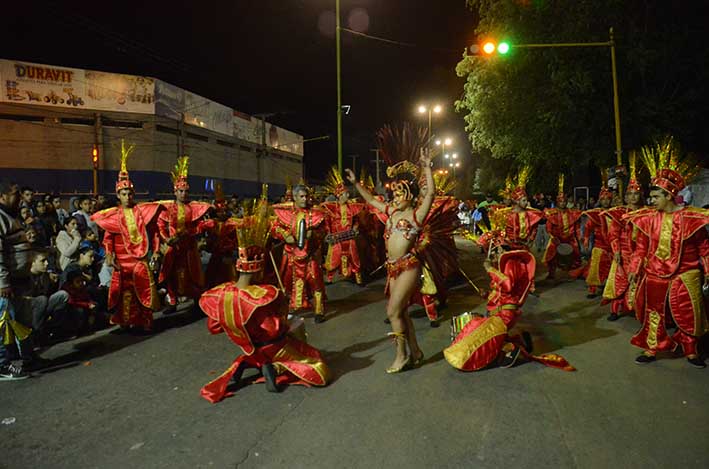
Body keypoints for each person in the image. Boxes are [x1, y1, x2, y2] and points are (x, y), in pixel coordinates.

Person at [198, 191, 329, 403]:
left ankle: (251, 361)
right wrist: (283, 313)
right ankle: (274, 365)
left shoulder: (221, 294)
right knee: (318, 364)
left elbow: (214, 327)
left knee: (315, 283)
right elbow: (274, 327)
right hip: (272, 347)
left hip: (248, 346)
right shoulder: (264, 295)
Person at [347, 132, 435, 373]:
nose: (394, 197)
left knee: (392, 311)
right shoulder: (392, 213)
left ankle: (401, 355)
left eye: (399, 194)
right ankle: (416, 352)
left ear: (410, 196)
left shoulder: (416, 215)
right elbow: (372, 202)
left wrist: (427, 168)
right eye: (393, 194)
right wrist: (356, 184)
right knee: (402, 312)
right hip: (392, 267)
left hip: (409, 265)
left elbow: (430, 195)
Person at [626, 138, 708, 368]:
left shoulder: (691, 218)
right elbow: (641, 248)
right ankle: (652, 348)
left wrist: (708, 271)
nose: (651, 201)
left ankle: (691, 350)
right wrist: (634, 269)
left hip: (685, 273)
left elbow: (704, 248)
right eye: (651, 197)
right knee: (654, 313)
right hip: (654, 274)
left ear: (669, 196)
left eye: (655, 197)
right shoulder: (646, 219)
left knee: (689, 313)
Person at [91, 140, 162, 333]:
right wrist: (109, 255)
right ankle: (125, 322)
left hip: (139, 259)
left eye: (129, 193)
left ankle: (145, 321)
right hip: (122, 262)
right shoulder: (112, 215)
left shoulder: (142, 211)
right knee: (124, 293)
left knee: (144, 289)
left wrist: (156, 252)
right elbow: (108, 238)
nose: (127, 196)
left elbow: (154, 232)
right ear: (118, 195)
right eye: (123, 193)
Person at [157, 156, 211, 305]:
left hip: (189, 247)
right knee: (171, 273)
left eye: (185, 191)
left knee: (192, 274)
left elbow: (200, 225)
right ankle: (173, 301)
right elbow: (160, 224)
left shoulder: (192, 208)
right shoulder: (168, 208)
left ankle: (196, 301)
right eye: (180, 191)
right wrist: (167, 239)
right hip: (174, 247)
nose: (183, 194)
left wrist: (190, 232)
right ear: (175, 191)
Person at [271, 181, 328, 322]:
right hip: (291, 255)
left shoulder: (315, 213)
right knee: (287, 283)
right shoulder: (285, 212)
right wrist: (285, 235)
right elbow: (275, 227)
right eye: (301, 196)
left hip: (310, 256)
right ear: (295, 197)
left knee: (316, 282)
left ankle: (319, 311)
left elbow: (323, 230)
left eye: (306, 196)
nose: (304, 199)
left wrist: (314, 235)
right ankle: (286, 310)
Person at [602, 152, 648, 321]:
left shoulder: (647, 213)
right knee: (620, 282)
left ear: (640, 195)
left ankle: (638, 310)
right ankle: (615, 310)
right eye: (630, 194)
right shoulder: (620, 213)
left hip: (641, 256)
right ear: (626, 196)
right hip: (623, 253)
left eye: (636, 194)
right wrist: (616, 251)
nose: (633, 197)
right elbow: (613, 234)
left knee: (638, 282)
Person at [321, 167, 365, 285]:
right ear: (340, 195)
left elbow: (356, 221)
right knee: (333, 259)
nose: (348, 195)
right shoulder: (332, 209)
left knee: (354, 258)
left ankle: (358, 278)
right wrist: (329, 233)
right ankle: (329, 278)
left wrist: (355, 227)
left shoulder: (352, 207)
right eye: (346, 194)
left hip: (349, 237)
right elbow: (327, 223)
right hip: (337, 239)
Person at [198, 185, 239, 287]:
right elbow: (198, 227)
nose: (222, 213)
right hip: (215, 257)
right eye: (219, 212)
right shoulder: (211, 223)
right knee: (213, 281)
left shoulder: (231, 224)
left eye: (224, 211)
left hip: (227, 257)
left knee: (230, 282)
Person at [580, 171, 614, 298]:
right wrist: (586, 240)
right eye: (603, 199)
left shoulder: (615, 212)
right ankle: (592, 289)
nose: (605, 201)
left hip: (612, 246)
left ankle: (610, 288)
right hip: (599, 245)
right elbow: (588, 228)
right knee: (595, 267)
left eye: (608, 199)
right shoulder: (596, 213)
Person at [543, 175, 582, 280]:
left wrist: (579, 237)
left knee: (576, 254)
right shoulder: (552, 214)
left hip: (570, 238)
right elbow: (549, 228)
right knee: (551, 255)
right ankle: (551, 273)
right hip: (557, 238)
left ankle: (575, 273)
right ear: (557, 202)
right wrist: (553, 237)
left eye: (564, 201)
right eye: (561, 201)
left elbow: (577, 227)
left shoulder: (572, 213)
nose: (563, 203)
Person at [504, 167, 544, 251]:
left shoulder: (531, 214)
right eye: (524, 200)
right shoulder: (510, 215)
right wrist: (515, 241)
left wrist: (531, 238)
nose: (526, 202)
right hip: (512, 247)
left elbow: (534, 228)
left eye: (527, 200)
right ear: (517, 201)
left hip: (526, 246)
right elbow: (508, 230)